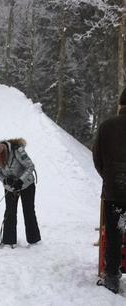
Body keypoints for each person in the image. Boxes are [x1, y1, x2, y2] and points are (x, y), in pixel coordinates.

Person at [92, 89, 126, 294]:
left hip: (114, 191)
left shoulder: (106, 126)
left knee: (114, 234)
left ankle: (112, 277)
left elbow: (97, 158)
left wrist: (108, 176)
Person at [0, 138, 41, 248]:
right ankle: (8, 241)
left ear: (1, 151)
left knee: (28, 211)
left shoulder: (16, 151)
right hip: (11, 188)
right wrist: (5, 180)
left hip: (27, 185)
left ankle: (34, 241)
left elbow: (30, 166)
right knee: (10, 212)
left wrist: (21, 180)